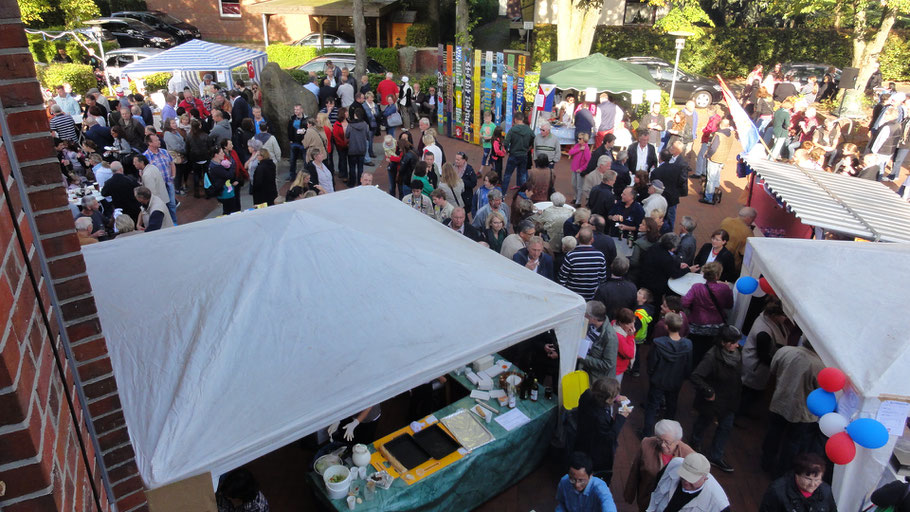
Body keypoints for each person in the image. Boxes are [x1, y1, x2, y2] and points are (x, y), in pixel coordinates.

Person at [761, 341, 826, 477]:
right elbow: (821, 389)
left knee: (773, 434)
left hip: (780, 401)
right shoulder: (818, 365)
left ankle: (766, 462)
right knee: (793, 443)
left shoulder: (785, 351)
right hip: (801, 411)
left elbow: (773, 370)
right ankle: (782, 471)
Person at [689, 325, 742, 474]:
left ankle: (715, 455)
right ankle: (695, 442)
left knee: (725, 427)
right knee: (703, 422)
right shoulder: (711, 357)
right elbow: (696, 376)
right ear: (723, 342)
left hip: (729, 400)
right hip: (713, 400)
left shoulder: (737, 355)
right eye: (733, 343)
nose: (737, 345)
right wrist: (708, 391)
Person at [640, 312, 692, 438]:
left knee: (652, 406)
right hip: (676, 381)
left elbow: (652, 362)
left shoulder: (658, 343)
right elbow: (688, 364)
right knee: (671, 406)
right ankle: (669, 434)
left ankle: (646, 433)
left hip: (659, 380)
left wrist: (651, 374)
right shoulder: (688, 344)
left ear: (666, 326)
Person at [625, 420, 694, 512]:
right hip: (646, 500)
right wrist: (629, 494)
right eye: (659, 439)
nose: (662, 445)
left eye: (667, 442)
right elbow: (635, 472)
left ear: (678, 441)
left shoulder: (689, 455)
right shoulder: (646, 443)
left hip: (670, 505)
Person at [574, 377, 630, 484]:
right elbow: (609, 436)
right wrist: (622, 416)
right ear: (607, 399)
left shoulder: (587, 395)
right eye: (614, 396)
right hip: (594, 448)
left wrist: (615, 397)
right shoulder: (600, 417)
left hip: (582, 436)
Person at [681, 261, 733, 365]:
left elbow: (685, 302)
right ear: (717, 275)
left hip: (697, 324)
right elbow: (729, 305)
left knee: (694, 349)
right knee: (708, 350)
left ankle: (690, 369)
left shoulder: (697, 287)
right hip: (716, 326)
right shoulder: (725, 289)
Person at [646, 453, 731, 512]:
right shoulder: (674, 464)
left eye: (691, 479)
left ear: (705, 478)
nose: (686, 481)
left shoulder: (719, 505)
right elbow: (655, 488)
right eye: (683, 476)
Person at [758, 453, 836, 512]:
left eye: (817, 480)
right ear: (797, 475)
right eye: (808, 479)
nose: (812, 484)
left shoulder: (826, 490)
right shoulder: (777, 491)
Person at [559, 228, 607, 300]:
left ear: (578, 239)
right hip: (591, 296)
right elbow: (602, 279)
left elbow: (562, 279)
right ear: (592, 240)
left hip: (573, 297)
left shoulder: (571, 256)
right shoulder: (600, 256)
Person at [577, 300, 618, 382]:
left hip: (595, 380)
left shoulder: (610, 337)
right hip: (583, 371)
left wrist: (583, 358)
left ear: (593, 318)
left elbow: (608, 364)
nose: (584, 315)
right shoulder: (589, 325)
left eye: (586, 314)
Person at [700, 118, 734, 205]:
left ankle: (709, 198)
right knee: (717, 178)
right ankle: (715, 194)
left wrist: (708, 155)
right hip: (723, 158)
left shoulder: (719, 135)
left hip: (714, 159)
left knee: (711, 179)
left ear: (721, 125)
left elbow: (713, 148)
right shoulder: (731, 134)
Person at [719, 207, 757, 273]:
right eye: (753, 219)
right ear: (748, 218)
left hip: (718, 254)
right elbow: (745, 253)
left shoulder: (726, 220)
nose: (752, 222)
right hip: (732, 264)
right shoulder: (748, 232)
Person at [503, 115, 535, 190]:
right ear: (523, 119)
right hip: (524, 155)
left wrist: (507, 150)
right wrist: (529, 148)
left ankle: (503, 194)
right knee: (523, 175)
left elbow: (506, 143)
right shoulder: (529, 130)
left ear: (515, 120)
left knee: (507, 175)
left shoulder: (512, 129)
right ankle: (524, 193)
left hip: (513, 155)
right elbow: (534, 140)